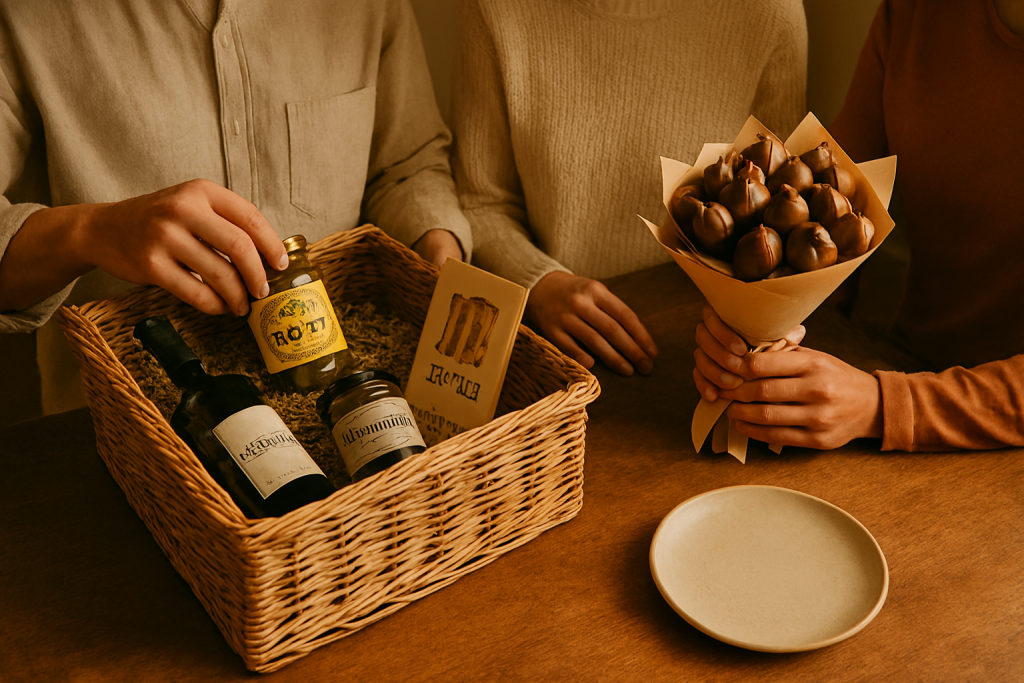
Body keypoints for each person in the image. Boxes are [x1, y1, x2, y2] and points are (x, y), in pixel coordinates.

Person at [0, 0, 471, 413]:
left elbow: (406, 163)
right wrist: (91, 231)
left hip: (356, 393)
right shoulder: (26, 14)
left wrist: (436, 250)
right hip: (129, 422)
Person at [693, 0, 1024, 451]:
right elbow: (829, 210)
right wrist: (756, 322)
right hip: (903, 368)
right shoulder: (917, 12)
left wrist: (882, 405)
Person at [451, 0, 807, 377]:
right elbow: (481, 203)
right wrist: (538, 282)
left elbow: (787, 214)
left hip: (717, 352)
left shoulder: (768, 12)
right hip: (562, 354)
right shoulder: (492, 9)